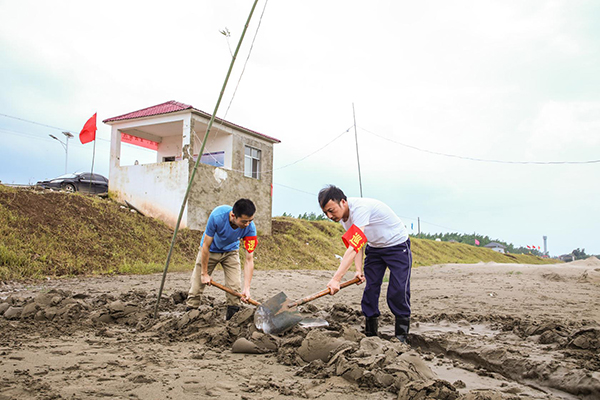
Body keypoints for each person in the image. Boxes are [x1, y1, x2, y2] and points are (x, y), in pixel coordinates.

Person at [318, 185, 412, 342]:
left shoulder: (360, 209)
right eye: (325, 213)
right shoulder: (343, 218)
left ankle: (402, 336)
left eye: (331, 210)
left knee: (397, 291)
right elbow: (357, 244)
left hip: (397, 246)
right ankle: (371, 333)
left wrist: (336, 279)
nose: (329, 215)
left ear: (343, 202)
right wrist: (358, 270)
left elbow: (354, 246)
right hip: (375, 248)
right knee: (370, 290)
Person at [186, 198, 258, 320]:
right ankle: (190, 315)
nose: (247, 224)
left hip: (231, 252)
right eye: (244, 221)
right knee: (197, 285)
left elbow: (249, 259)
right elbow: (206, 246)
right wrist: (204, 273)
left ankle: (232, 320)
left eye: (250, 221)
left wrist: (247, 288)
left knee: (234, 287)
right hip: (211, 251)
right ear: (233, 215)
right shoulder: (217, 216)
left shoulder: (250, 228)